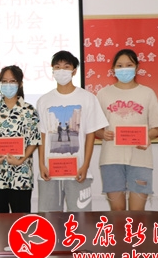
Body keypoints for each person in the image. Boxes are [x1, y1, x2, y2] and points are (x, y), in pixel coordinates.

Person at [37, 51, 108, 212]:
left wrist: (85, 165)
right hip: (50, 172)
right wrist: (41, 164)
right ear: (52, 70)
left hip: (78, 172)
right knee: (49, 220)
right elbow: (42, 134)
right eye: (57, 67)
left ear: (74, 71)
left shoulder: (88, 98)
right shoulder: (43, 101)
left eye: (66, 67)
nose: (61, 71)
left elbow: (91, 134)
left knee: (80, 220)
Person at [95, 49, 158, 211]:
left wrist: (146, 136)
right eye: (119, 65)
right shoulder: (103, 94)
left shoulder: (147, 93)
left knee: (137, 213)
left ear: (137, 67)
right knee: (117, 212)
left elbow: (157, 127)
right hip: (111, 159)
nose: (124, 69)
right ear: (113, 68)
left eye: (129, 65)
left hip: (140, 159)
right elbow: (95, 129)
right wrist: (102, 134)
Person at [0, 65, 41, 213]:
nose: (8, 85)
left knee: (21, 221)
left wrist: (21, 159)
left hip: (22, 174)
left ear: (20, 84)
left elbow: (34, 139)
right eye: (4, 81)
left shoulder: (29, 110)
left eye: (12, 81)